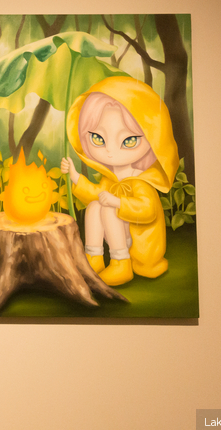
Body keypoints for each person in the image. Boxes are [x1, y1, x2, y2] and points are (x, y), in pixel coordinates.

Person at [61, 77, 179, 286]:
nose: (110, 151)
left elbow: (147, 211)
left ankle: (121, 264)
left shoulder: (141, 181)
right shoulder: (111, 178)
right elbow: (95, 194)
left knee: (109, 209)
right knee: (95, 207)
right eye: (98, 139)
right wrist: (74, 175)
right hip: (120, 234)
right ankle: (93, 257)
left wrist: (117, 203)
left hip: (140, 245)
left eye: (129, 140)